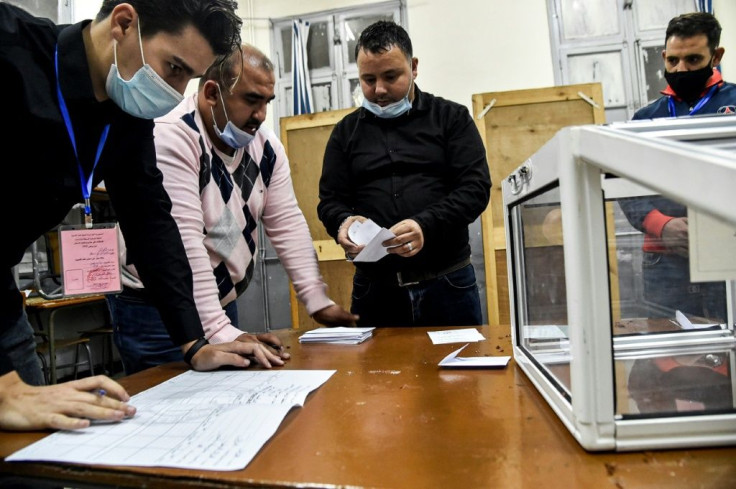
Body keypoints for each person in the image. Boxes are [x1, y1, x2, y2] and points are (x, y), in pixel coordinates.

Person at [0, 0, 278, 431]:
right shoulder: (9, 48)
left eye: (189, 77)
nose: (175, 91)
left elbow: (151, 222)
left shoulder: (124, 114)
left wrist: (193, 341)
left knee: (40, 445)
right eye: (174, 68)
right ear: (124, 24)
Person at [108, 45, 358, 374]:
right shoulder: (173, 135)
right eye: (251, 100)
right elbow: (183, 243)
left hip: (220, 303)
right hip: (157, 310)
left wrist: (315, 297)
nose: (261, 115)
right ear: (212, 93)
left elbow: (286, 223)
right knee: (167, 411)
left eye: (266, 102)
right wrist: (218, 330)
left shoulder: (266, 147)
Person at [317, 21, 491, 327]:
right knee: (377, 375)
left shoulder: (451, 118)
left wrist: (426, 225)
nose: (379, 90)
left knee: (462, 374)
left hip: (447, 283)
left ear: (413, 67)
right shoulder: (345, 133)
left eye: (390, 76)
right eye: (368, 80)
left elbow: (475, 189)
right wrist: (343, 221)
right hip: (376, 291)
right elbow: (330, 201)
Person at [619, 12, 734, 322]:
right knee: (670, 355)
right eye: (673, 61)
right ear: (664, 57)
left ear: (716, 55)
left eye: (694, 60)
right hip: (665, 263)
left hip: (728, 254)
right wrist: (662, 225)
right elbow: (625, 184)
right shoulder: (646, 119)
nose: (681, 69)